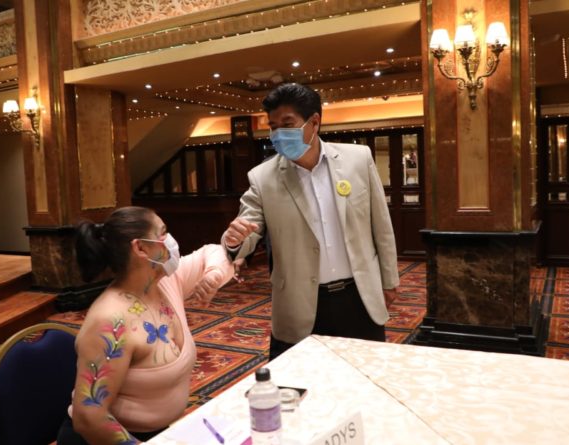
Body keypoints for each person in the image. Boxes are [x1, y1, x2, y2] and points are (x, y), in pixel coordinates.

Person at [222, 83, 399, 360]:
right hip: (300, 303)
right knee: (304, 381)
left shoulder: (358, 159)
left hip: (360, 296)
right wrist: (235, 241)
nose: (278, 134)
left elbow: (382, 227)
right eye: (273, 126)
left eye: (287, 124)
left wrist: (389, 281)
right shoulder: (262, 177)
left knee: (364, 376)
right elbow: (247, 230)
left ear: (314, 122)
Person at [58, 206, 234, 444]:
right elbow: (89, 417)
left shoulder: (167, 282)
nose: (171, 240)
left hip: (158, 435)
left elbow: (215, 252)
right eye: (163, 233)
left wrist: (213, 276)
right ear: (140, 248)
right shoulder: (111, 321)